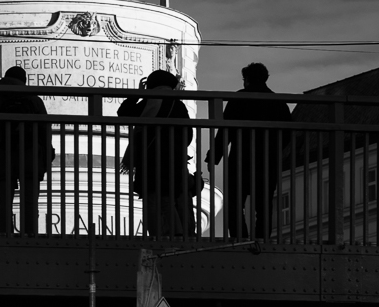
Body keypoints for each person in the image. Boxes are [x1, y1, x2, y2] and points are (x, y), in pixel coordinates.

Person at [208, 62, 292, 238]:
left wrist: (214, 155)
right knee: (263, 204)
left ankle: (240, 237)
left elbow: (226, 131)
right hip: (267, 161)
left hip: (241, 159)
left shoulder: (240, 98)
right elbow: (287, 135)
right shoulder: (278, 102)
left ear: (246, 79)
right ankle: (262, 238)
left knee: (234, 203)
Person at [0, 65, 54, 234]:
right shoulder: (35, 101)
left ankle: (6, 238)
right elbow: (45, 132)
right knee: (30, 203)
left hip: (2, 158)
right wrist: (46, 159)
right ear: (24, 81)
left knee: (4, 204)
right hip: (30, 157)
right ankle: (30, 238)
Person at [120, 69, 194, 236]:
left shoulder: (149, 101)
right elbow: (188, 135)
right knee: (168, 200)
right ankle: (177, 235)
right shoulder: (179, 105)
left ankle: (155, 237)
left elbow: (123, 113)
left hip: (150, 159)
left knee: (151, 199)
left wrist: (136, 94)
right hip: (173, 160)